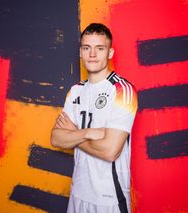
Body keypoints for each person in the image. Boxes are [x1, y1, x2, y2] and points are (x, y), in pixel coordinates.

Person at [50, 23, 138, 213]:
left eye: (100, 48)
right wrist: (89, 132)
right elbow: (56, 138)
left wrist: (73, 135)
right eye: (86, 48)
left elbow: (110, 151)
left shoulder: (122, 90)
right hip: (78, 194)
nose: (92, 54)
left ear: (110, 53)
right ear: (80, 52)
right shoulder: (75, 92)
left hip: (109, 199)